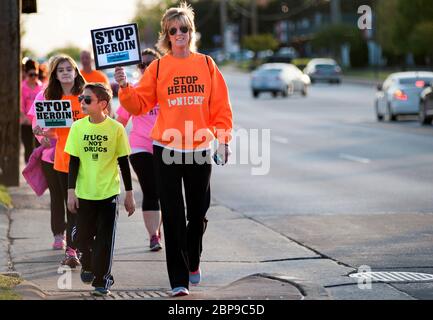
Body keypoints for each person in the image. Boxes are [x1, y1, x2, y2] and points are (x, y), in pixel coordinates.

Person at [115, 2, 233, 297]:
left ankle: (193, 260)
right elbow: (138, 104)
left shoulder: (206, 64)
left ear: (191, 32)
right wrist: (124, 87)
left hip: (199, 148)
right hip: (165, 149)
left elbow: (220, 107)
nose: (179, 33)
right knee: (173, 212)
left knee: (198, 211)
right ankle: (178, 280)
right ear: (166, 35)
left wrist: (223, 140)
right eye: (173, 30)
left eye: (184, 28)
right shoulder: (158, 67)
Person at [65, 82, 135, 296]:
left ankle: (102, 280)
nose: (82, 103)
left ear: (103, 104)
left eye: (87, 100)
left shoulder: (116, 129)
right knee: (81, 237)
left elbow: (124, 162)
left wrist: (129, 194)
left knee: (105, 240)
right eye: (81, 99)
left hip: (108, 194)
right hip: (84, 193)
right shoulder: (78, 127)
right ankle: (87, 262)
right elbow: (73, 162)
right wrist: (70, 191)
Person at [34, 54, 87, 268]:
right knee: (71, 205)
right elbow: (55, 134)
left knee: (87, 206)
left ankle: (84, 244)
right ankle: (72, 250)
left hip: (88, 160)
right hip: (63, 160)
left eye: (69, 68)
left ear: (76, 72)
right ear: (55, 75)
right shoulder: (53, 100)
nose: (65, 72)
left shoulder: (85, 96)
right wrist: (43, 133)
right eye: (61, 70)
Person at [116, 48, 162, 252]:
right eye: (142, 64)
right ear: (138, 68)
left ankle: (158, 232)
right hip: (140, 146)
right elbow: (120, 122)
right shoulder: (132, 91)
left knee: (164, 192)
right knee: (151, 190)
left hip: (166, 145)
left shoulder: (167, 90)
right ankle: (153, 236)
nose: (147, 67)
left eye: (151, 63)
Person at [21, 59, 43, 163]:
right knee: (28, 148)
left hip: (39, 123)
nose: (34, 77)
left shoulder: (41, 87)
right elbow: (20, 105)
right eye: (31, 74)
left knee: (39, 148)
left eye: (36, 74)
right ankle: (28, 170)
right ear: (26, 74)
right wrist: (25, 118)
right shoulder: (22, 87)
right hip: (26, 123)